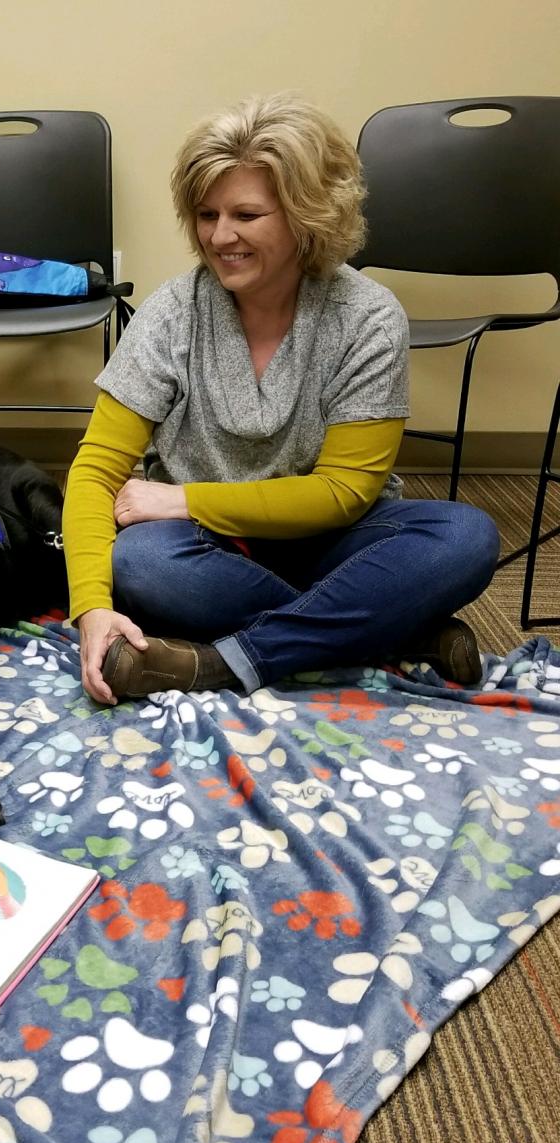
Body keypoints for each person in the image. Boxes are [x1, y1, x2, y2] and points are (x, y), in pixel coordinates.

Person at [62, 93, 500, 705]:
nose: (220, 236)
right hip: (208, 550)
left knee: (466, 537)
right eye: (206, 214)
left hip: (335, 541)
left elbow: (344, 492)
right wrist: (91, 610)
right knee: (140, 563)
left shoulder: (367, 317)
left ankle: (219, 662)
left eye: (246, 214)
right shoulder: (171, 312)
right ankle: (395, 629)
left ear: (306, 215)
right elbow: (95, 473)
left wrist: (185, 497)